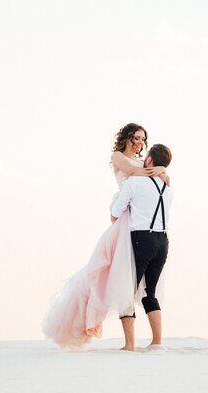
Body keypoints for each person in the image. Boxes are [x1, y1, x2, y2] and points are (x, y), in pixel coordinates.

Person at [42, 123, 169, 349]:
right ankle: (119, 336)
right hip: (127, 223)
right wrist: (158, 171)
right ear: (127, 138)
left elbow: (152, 179)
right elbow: (132, 173)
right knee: (109, 272)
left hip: (138, 221)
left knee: (130, 281)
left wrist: (162, 171)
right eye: (136, 137)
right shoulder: (119, 157)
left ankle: (140, 342)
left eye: (143, 139)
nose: (140, 142)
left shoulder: (144, 165)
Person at [111, 144, 174, 351]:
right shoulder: (167, 186)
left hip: (141, 239)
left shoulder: (135, 182)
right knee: (149, 292)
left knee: (127, 290)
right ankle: (157, 342)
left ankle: (129, 345)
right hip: (162, 241)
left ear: (149, 161)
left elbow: (115, 212)